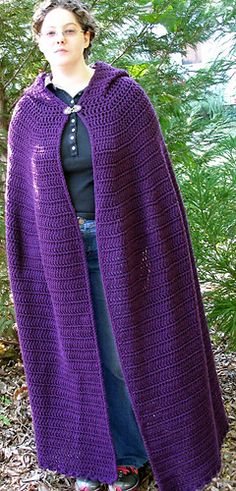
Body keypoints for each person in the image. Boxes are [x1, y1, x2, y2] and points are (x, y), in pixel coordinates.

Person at [4, 1, 229, 491]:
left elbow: (153, 186)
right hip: (58, 253)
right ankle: (96, 458)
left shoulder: (122, 97)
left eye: (69, 30)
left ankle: (136, 451)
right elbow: (23, 198)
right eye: (50, 32)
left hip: (122, 246)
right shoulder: (30, 111)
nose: (59, 38)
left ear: (87, 37)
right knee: (75, 355)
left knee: (123, 351)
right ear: (40, 42)